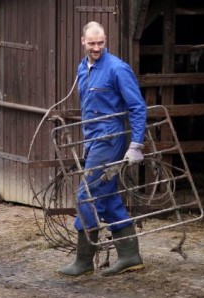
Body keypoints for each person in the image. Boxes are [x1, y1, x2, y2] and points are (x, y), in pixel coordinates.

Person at [57, 21, 147, 277]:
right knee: (106, 198)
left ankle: (84, 261)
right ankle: (130, 256)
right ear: (83, 42)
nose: (96, 48)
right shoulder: (82, 69)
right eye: (92, 43)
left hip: (110, 140)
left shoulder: (117, 69)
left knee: (87, 196)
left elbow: (138, 107)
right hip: (93, 140)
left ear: (105, 40)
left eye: (101, 43)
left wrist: (136, 144)